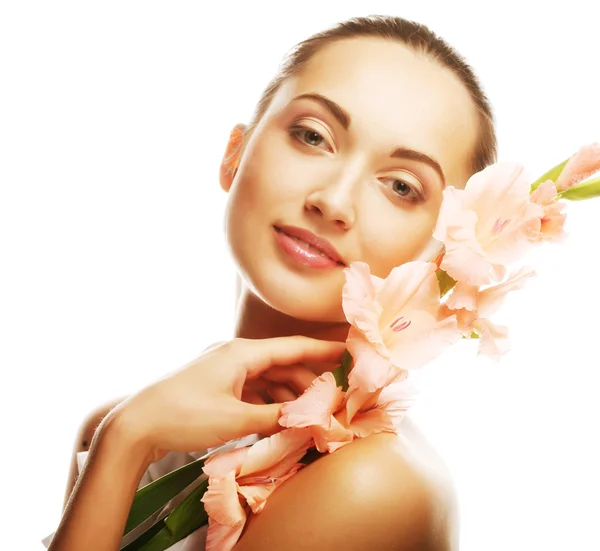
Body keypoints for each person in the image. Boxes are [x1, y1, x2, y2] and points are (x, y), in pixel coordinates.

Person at [44, 13, 496, 551]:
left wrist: (127, 439)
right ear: (234, 154)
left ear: (444, 259)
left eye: (400, 186)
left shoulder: (368, 487)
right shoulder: (127, 427)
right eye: (313, 136)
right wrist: (125, 439)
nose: (332, 201)